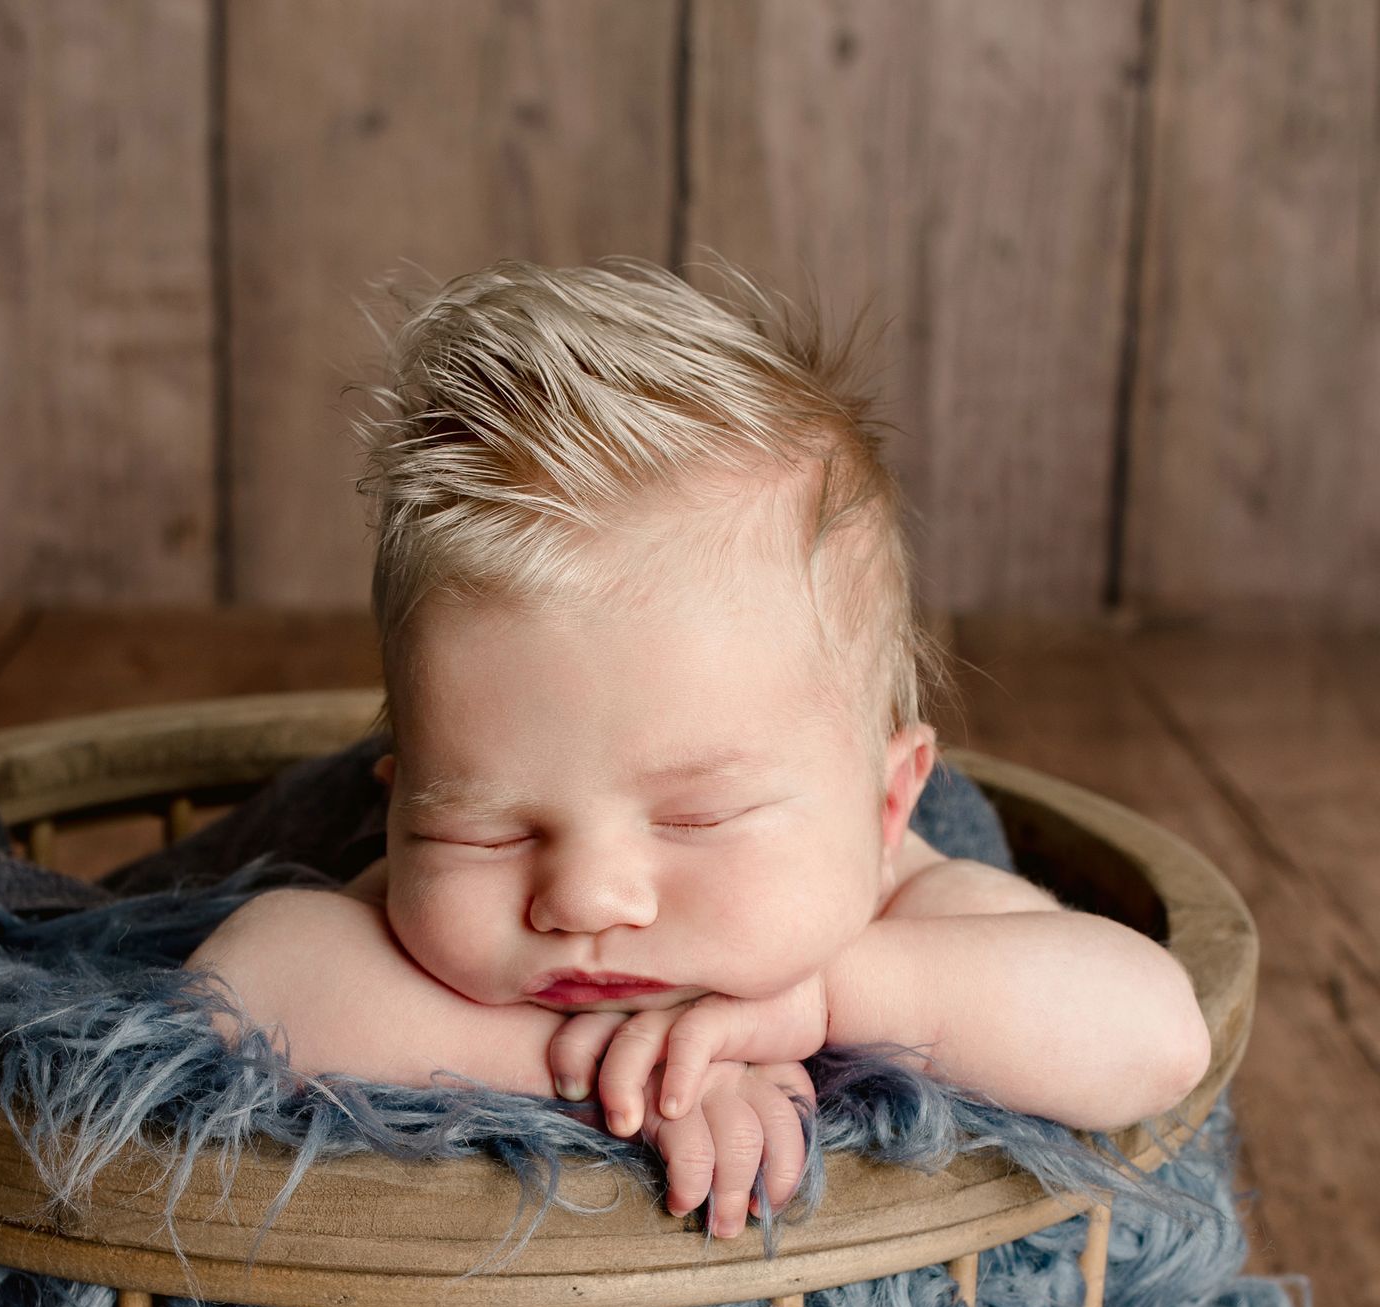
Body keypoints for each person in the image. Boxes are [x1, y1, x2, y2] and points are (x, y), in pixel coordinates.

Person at [183, 256, 1209, 1241]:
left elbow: (1157, 1037)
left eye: (695, 817)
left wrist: (823, 1001)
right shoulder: (433, 929)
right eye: (484, 830)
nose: (583, 900)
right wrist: (598, 1066)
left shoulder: (912, 905)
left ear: (884, 807)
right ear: (403, 806)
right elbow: (242, 991)